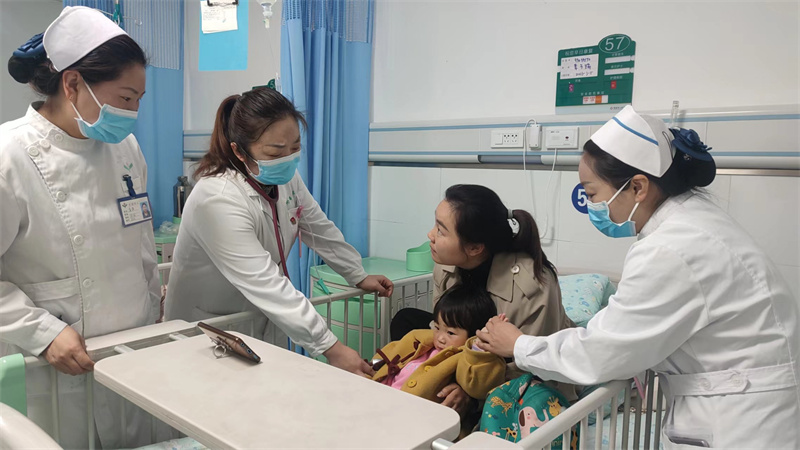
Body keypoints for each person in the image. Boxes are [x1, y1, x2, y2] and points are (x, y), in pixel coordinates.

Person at [476, 106, 800, 449]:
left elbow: (602, 353)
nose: (591, 206)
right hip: (746, 398)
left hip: (741, 418)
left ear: (638, 187)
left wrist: (519, 345)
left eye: (592, 193)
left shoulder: (671, 249)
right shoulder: (693, 222)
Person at [1, 6, 160, 448]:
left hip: (132, 355)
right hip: (52, 369)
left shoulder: (126, 149)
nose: (133, 112)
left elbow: (140, 242)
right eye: (125, 98)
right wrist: (42, 332)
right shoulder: (9, 156)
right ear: (72, 83)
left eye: (139, 99)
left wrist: (152, 306)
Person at [165, 88, 393, 377]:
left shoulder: (286, 179)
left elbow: (318, 227)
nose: (287, 158)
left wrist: (357, 274)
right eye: (275, 152)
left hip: (257, 322)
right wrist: (331, 348)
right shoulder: (216, 198)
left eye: (295, 148)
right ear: (239, 151)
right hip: (209, 329)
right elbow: (265, 280)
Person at [390, 184, 577, 412]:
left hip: (518, 370)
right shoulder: (445, 267)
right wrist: (442, 373)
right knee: (405, 320)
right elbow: (444, 327)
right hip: (467, 350)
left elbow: (532, 361)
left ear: (475, 248)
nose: (430, 235)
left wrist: (471, 393)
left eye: (441, 230)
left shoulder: (534, 285)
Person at [371, 284, 505, 402]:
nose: (440, 338)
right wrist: (371, 368)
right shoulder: (421, 341)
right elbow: (391, 352)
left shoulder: (464, 360)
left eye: (450, 333)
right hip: (381, 394)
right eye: (437, 327)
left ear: (472, 336)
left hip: (411, 410)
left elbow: (477, 386)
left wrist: (478, 350)